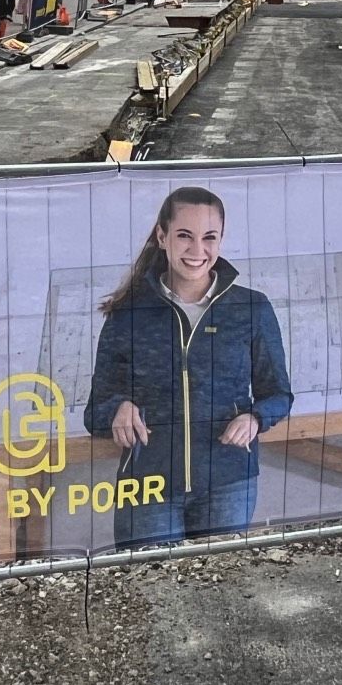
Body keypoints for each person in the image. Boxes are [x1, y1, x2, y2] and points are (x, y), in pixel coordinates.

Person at [84, 186, 293, 547]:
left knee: (219, 592)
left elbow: (278, 394)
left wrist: (255, 418)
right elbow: (95, 410)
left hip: (229, 484)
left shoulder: (252, 309)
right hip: (147, 486)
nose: (198, 251)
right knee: (148, 592)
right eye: (184, 236)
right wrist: (118, 408)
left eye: (209, 237)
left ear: (221, 240)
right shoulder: (128, 314)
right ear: (162, 237)